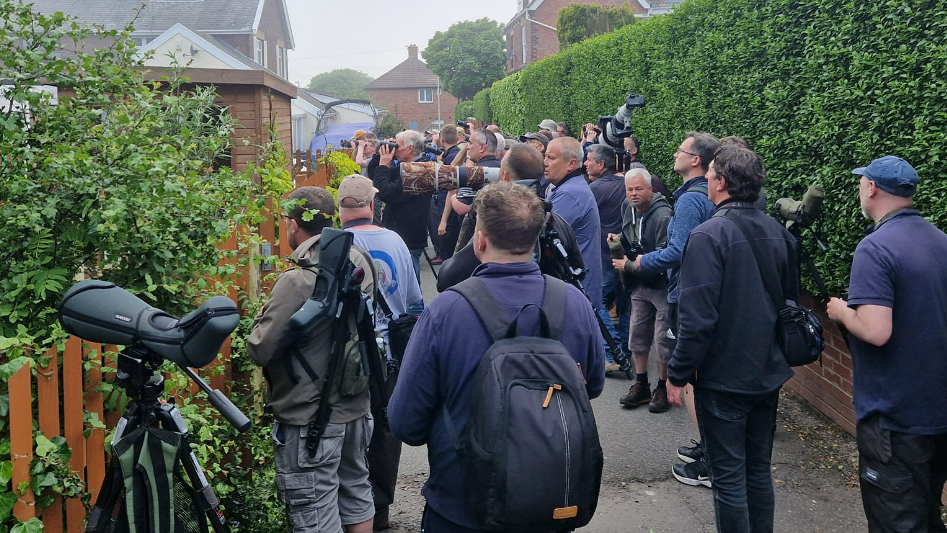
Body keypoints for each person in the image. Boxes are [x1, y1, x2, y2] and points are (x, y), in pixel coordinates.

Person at [388, 181, 605, 533]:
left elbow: (405, 423)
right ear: (535, 239)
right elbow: (591, 387)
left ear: (480, 240)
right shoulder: (575, 304)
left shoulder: (447, 310)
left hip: (462, 504)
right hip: (549, 500)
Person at [667, 145, 796, 532]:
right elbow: (788, 303)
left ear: (721, 182)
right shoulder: (778, 231)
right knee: (757, 470)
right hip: (767, 371)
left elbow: (697, 318)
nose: (705, 178)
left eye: (709, 174)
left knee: (727, 478)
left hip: (724, 377)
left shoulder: (708, 235)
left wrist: (678, 372)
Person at [825, 155, 947, 533]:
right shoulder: (941, 240)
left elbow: (876, 331)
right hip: (938, 412)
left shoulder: (875, 248)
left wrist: (843, 311)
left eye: (862, 184)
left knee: (896, 522)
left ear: (872, 188)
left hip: (893, 418)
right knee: (927, 513)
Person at [248, 186, 377, 533]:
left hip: (311, 417)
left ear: (292, 224)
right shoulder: (361, 261)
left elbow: (261, 348)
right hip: (356, 407)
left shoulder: (297, 280)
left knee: (314, 512)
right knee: (356, 494)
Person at [334, 175, 422, 531]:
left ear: (341, 208)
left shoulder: (334, 245)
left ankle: (348, 512)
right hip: (388, 358)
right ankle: (379, 513)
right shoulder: (396, 242)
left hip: (346, 359)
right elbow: (414, 303)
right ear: (373, 204)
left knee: (347, 433)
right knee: (386, 435)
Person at [631, 131, 719, 485]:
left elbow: (677, 252)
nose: (674, 153)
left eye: (680, 150)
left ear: (695, 160)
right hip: (710, 293)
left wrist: (639, 262)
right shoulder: (707, 196)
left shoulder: (688, 202)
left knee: (695, 381)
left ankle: (710, 459)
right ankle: (710, 449)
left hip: (687, 294)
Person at [436, 143, 585, 292]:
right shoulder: (555, 220)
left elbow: (447, 278)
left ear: (505, 177)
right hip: (551, 304)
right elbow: (577, 266)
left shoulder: (496, 220)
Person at [610, 169, 674, 412]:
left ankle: (663, 387)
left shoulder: (663, 216)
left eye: (638, 189)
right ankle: (641, 384)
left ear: (650, 189)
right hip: (639, 283)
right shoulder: (628, 207)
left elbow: (662, 259)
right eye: (629, 189)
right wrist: (619, 241)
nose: (633, 194)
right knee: (636, 335)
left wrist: (628, 265)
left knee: (662, 338)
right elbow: (631, 237)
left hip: (661, 286)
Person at [545, 137, 604, 337]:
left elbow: (537, 234)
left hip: (575, 293)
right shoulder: (568, 188)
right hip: (575, 290)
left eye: (551, 158)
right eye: (545, 156)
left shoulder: (569, 194)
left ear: (571, 163)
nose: (545, 162)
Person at [585, 144, 629, 373]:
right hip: (628, 254)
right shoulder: (627, 185)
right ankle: (626, 351)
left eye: (589, 159)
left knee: (596, 299)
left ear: (601, 165)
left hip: (604, 256)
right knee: (626, 303)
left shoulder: (595, 189)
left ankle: (611, 353)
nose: (586, 163)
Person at [371, 130, 432, 282]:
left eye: (397, 146)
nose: (395, 150)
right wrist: (381, 155)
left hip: (408, 237)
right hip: (403, 235)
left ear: (410, 149)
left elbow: (385, 192)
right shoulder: (409, 167)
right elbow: (375, 175)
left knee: (410, 290)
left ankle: (417, 307)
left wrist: (384, 166)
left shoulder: (418, 171)